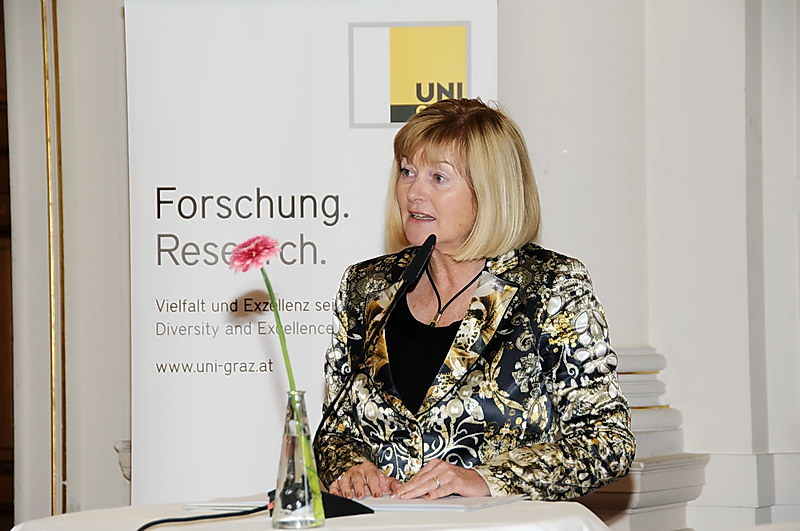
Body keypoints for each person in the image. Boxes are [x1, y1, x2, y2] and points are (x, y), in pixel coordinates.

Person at [313, 98, 634, 501]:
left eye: (438, 178)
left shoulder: (550, 286)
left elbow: (606, 443)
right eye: (408, 172)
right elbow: (335, 432)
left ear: (490, 191)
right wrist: (351, 467)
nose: (413, 192)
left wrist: (485, 480)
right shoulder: (366, 286)